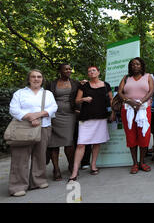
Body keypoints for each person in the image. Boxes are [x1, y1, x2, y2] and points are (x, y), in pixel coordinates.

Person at [8, 69, 58, 197]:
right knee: (20, 157)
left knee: (40, 156)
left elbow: (53, 107)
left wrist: (39, 115)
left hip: (44, 126)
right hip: (23, 128)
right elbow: (13, 109)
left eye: (39, 77)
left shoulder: (48, 93)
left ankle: (38, 181)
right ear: (29, 79)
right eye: (33, 76)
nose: (36, 79)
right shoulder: (20, 93)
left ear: (42, 79)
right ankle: (17, 186)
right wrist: (29, 117)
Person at [68, 66, 114, 182]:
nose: (91, 72)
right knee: (81, 144)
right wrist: (84, 99)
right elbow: (77, 100)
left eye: (93, 70)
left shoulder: (106, 85)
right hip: (86, 118)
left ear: (98, 72)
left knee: (97, 142)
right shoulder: (84, 85)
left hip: (101, 117)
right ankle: (74, 171)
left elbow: (112, 100)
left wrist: (113, 112)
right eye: (89, 71)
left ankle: (93, 165)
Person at [118, 57, 154, 174]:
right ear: (130, 67)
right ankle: (134, 163)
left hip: (143, 109)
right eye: (133, 65)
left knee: (144, 135)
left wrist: (140, 102)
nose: (135, 66)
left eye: (138, 64)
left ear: (142, 66)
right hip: (128, 109)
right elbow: (120, 92)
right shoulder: (126, 78)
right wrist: (130, 101)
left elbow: (151, 91)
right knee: (131, 135)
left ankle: (142, 162)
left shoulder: (148, 76)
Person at [46, 64, 81, 181]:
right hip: (54, 115)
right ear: (60, 70)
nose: (69, 70)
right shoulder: (52, 84)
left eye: (70, 69)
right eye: (66, 69)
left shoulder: (75, 83)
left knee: (69, 142)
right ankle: (56, 169)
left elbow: (80, 96)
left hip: (69, 115)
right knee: (53, 143)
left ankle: (71, 165)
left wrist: (78, 108)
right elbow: (45, 98)